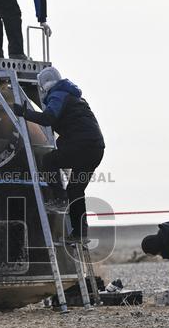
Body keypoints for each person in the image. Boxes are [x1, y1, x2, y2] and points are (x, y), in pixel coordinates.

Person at [13, 66, 105, 240]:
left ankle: (59, 198)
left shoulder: (58, 94)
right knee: (76, 190)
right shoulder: (75, 96)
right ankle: (80, 233)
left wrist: (25, 113)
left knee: (48, 161)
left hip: (82, 146)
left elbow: (48, 118)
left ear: (44, 85)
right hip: (96, 149)